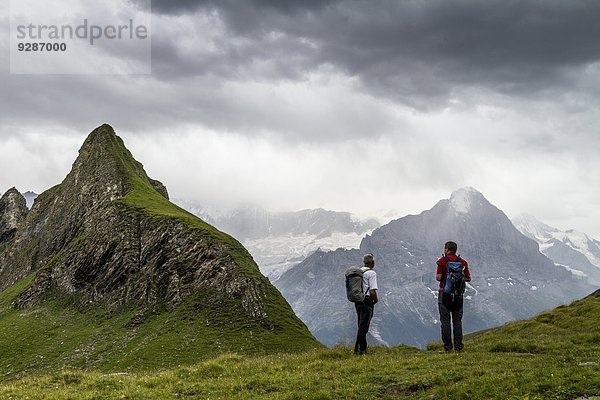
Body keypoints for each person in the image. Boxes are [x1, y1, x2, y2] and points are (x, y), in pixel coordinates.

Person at [436, 241, 471, 353]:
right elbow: (468, 278)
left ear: (446, 250)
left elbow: (438, 277)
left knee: (445, 321)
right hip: (458, 295)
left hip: (444, 294)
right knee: (457, 321)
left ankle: (448, 348)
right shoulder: (463, 262)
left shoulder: (442, 261)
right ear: (455, 250)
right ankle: (459, 347)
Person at [354, 253, 378, 355]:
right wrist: (375, 300)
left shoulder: (359, 272)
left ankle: (359, 348)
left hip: (358, 300)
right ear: (372, 262)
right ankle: (361, 350)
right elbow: (372, 291)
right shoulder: (371, 273)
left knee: (361, 324)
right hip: (367, 300)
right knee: (364, 326)